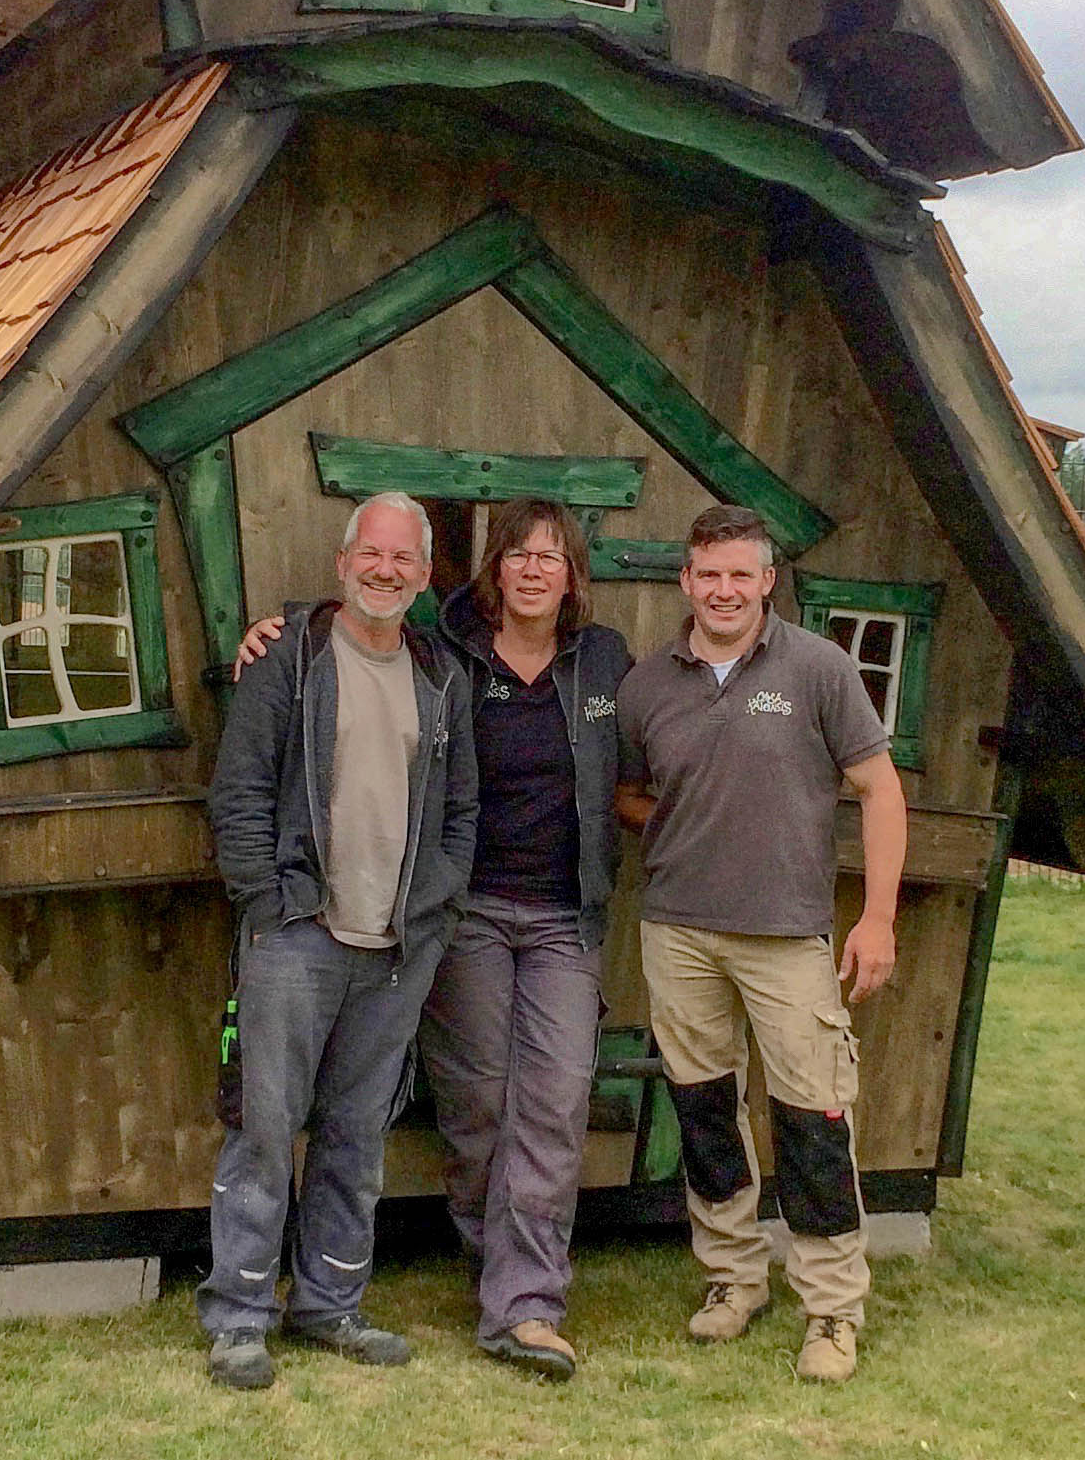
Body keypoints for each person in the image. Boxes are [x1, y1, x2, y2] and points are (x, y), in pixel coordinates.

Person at [236, 498, 631, 1380]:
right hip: (467, 914)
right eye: (519, 553)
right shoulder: (451, 651)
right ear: (494, 568)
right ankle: (497, 1273)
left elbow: (656, 743)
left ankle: (526, 1304)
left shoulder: (603, 660)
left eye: (552, 556)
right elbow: (359, 625)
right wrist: (279, 627)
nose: (534, 569)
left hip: (562, 915)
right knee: (478, 1102)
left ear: (573, 574)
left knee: (556, 1100)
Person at [615, 503, 908, 1387]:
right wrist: (692, 824)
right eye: (709, 573)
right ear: (686, 580)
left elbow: (880, 789)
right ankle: (733, 1277)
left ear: (767, 581)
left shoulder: (819, 669)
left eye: (741, 573)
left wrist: (878, 917)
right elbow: (629, 793)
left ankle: (831, 1307)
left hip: (786, 934)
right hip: (679, 930)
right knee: (705, 1109)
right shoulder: (647, 685)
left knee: (813, 1117)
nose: (724, 589)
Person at [198, 491, 478, 1393]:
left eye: (403, 559)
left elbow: (462, 811)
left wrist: (434, 909)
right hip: (296, 935)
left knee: (358, 1137)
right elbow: (240, 791)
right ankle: (239, 1318)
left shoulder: (441, 675)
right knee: (263, 1130)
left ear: (424, 575)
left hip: (396, 947)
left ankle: (329, 1304)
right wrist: (268, 903)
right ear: (342, 561)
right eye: (372, 553)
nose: (385, 570)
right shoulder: (289, 656)